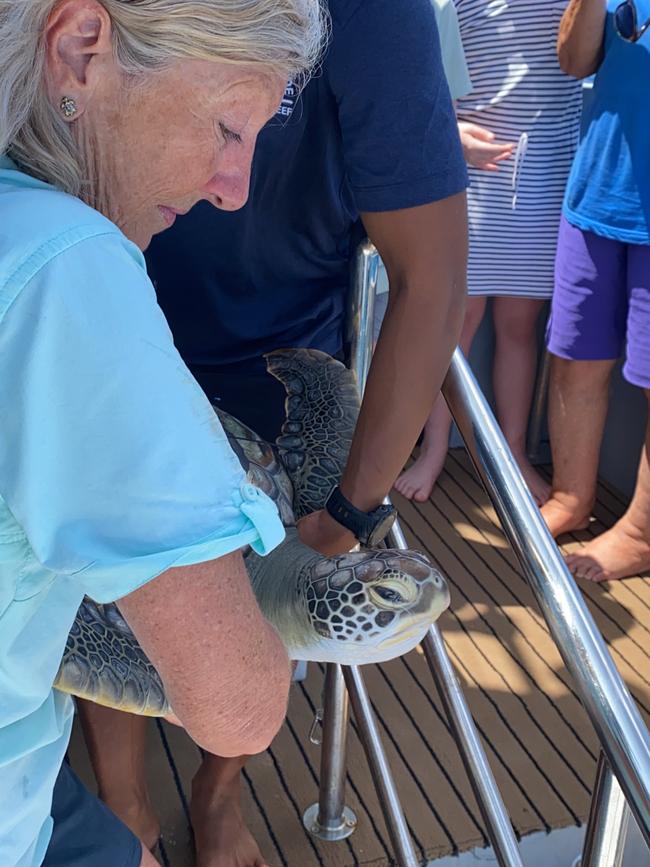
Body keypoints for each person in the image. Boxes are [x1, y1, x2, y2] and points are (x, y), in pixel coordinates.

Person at [76, 1, 470, 865]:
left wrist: (351, 518)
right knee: (107, 578)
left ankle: (220, 790)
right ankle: (127, 806)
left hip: (281, 363)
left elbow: (432, 271)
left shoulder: (375, 18)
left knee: (276, 604)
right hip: (106, 326)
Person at [0, 1, 324, 865]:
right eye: (228, 126)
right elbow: (239, 704)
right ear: (79, 49)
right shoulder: (68, 264)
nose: (236, 187)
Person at [395, 0, 583, 506]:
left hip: (544, 174)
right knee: (454, 325)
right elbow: (422, 77)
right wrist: (450, 136)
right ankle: (434, 449)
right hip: (467, 178)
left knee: (520, 325)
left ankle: (512, 452)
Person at [541, 0, 650, 583]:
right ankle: (571, 496)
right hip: (596, 197)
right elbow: (573, 59)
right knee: (575, 359)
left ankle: (640, 534)